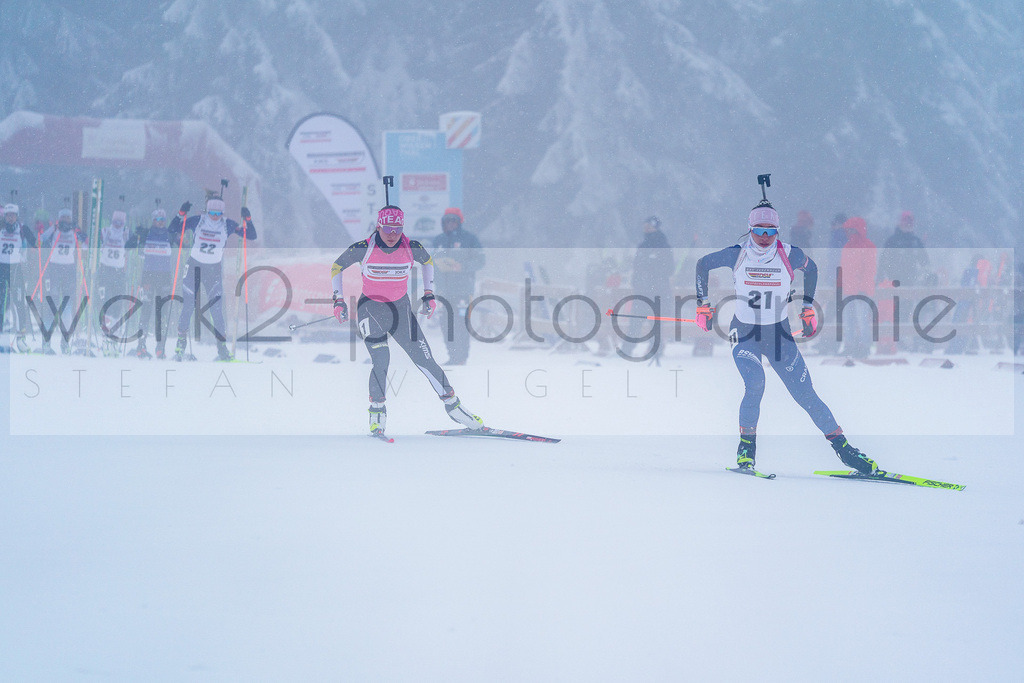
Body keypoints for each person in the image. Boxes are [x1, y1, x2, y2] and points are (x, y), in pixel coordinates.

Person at [694, 197, 882, 476]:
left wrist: (807, 308)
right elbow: (702, 264)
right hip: (744, 332)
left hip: (778, 333)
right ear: (750, 229)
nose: (765, 237)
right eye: (759, 231)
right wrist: (703, 304)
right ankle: (747, 452)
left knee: (806, 395)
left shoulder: (790, 254)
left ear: (778, 231)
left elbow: (813, 269)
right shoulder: (737, 253)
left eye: (771, 232)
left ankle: (845, 451)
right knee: (755, 383)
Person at [330, 203, 484, 437]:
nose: (393, 234)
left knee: (425, 359)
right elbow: (336, 266)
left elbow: (428, 263)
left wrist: (429, 294)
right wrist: (338, 300)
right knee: (382, 359)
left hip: (400, 310)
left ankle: (454, 407)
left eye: (398, 228)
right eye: (388, 228)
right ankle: (377, 412)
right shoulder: (364, 248)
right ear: (379, 226)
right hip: (371, 309)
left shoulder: (412, 247)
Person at [170, 197, 256, 361]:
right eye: (212, 212)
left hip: (213, 270)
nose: (215, 216)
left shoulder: (227, 224)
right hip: (194, 267)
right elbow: (173, 228)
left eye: (218, 213)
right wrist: (181, 213)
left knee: (216, 310)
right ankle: (180, 347)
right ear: (207, 211)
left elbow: (251, 235)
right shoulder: (198, 221)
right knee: (188, 306)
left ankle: (222, 349)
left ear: (222, 213)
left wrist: (248, 219)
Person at [431, 207, 485, 365]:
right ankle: (452, 355)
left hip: (463, 290)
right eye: (447, 221)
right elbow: (431, 264)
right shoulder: (438, 241)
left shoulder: (470, 239)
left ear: (459, 222)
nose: (450, 224)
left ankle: (462, 357)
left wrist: (463, 267)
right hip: (443, 291)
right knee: (446, 325)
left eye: (453, 220)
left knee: (461, 325)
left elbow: (480, 260)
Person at [620, 215, 674, 361]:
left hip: (658, 292)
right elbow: (637, 268)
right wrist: (637, 282)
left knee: (655, 323)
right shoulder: (643, 246)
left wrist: (651, 268)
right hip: (642, 291)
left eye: (649, 226)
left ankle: (655, 351)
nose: (646, 229)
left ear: (655, 227)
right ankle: (626, 350)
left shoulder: (663, 246)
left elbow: (669, 269)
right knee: (635, 322)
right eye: (645, 226)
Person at [38, 208, 88, 354]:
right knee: (51, 306)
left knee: (66, 308)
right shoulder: (55, 230)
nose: (65, 220)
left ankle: (65, 342)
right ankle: (46, 341)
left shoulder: (73, 232)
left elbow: (85, 243)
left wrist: (78, 231)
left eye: (68, 217)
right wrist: (52, 228)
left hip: (69, 271)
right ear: (59, 219)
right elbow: (41, 239)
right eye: (63, 217)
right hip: (53, 270)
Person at [132, 208, 176, 359]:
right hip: (148, 278)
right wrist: (137, 237)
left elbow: (182, 244)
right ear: (153, 220)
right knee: (146, 312)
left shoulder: (169, 235)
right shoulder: (147, 233)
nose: (160, 222)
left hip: (164, 278)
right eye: (157, 219)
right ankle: (141, 346)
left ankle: (160, 347)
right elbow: (132, 246)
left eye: (162, 219)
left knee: (162, 314)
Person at [837, 216, 877, 358]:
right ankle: (850, 346)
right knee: (848, 320)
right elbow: (843, 269)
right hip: (848, 290)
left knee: (862, 320)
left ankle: (864, 347)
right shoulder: (847, 246)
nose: (848, 233)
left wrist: (863, 287)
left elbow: (869, 270)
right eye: (847, 230)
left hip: (861, 291)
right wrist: (840, 286)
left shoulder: (868, 246)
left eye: (850, 230)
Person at [96, 210, 134, 355]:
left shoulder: (126, 233)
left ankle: (114, 336)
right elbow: (94, 240)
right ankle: (105, 334)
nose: (118, 225)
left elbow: (132, 245)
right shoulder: (105, 231)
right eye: (115, 222)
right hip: (105, 271)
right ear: (112, 221)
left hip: (119, 273)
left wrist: (137, 237)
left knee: (117, 305)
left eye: (120, 222)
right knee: (105, 304)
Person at [0, 204, 37, 352]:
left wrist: (39, 237)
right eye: (7, 215)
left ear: (17, 216)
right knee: (1, 303)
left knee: (20, 303)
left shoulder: (22, 229)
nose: (10, 218)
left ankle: (21, 338)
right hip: (1, 267)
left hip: (16, 269)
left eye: (13, 215)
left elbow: (36, 244)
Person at [878, 210, 929, 286]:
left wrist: (928, 277)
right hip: (893, 283)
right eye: (905, 220)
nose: (908, 223)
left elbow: (925, 262)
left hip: (911, 284)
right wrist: (881, 279)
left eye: (910, 221)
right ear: (900, 222)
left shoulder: (916, 242)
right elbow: (883, 262)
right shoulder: (892, 241)